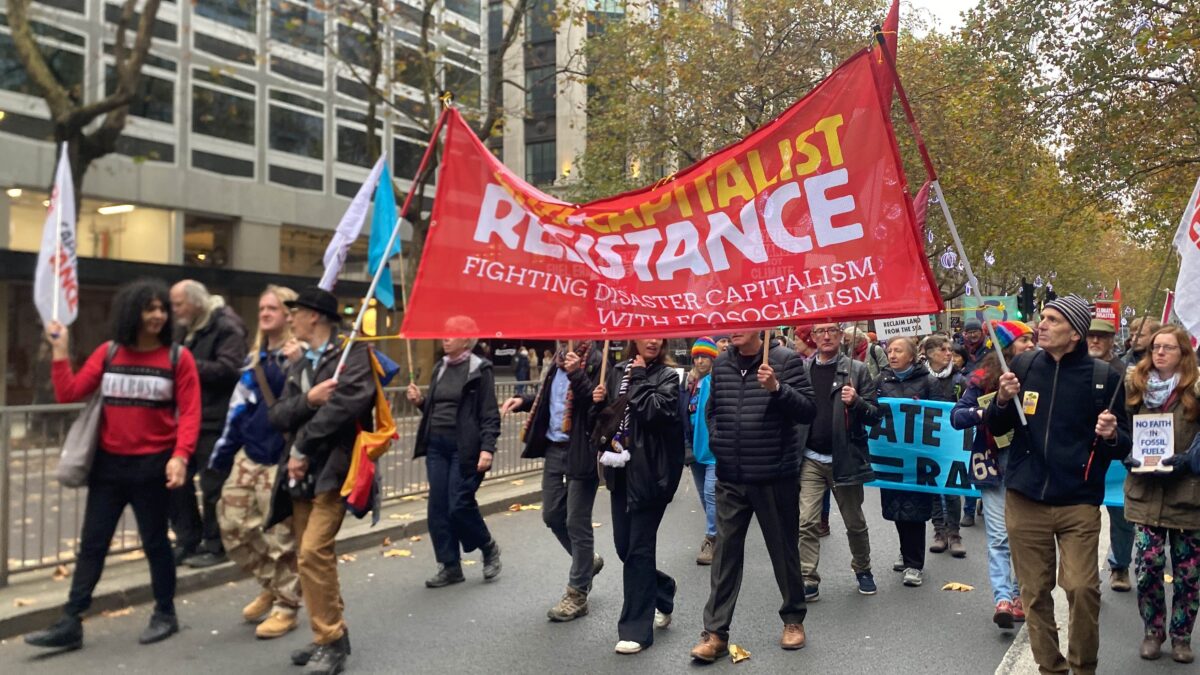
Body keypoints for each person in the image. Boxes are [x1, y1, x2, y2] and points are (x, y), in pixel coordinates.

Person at [25, 279, 200, 649]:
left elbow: (190, 413)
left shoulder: (177, 358)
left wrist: (180, 455)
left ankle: (165, 613)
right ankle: (71, 621)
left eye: (162, 309)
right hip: (108, 468)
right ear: (131, 312)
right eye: (149, 308)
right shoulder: (109, 353)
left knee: (155, 542)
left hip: (153, 468)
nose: (157, 315)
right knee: (92, 544)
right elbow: (68, 392)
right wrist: (60, 351)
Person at [987, 294, 1131, 675]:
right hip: (1025, 498)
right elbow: (997, 426)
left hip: (1078, 502)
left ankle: (1084, 667)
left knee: (1082, 588)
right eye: (1043, 317)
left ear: (1075, 334)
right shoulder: (1024, 364)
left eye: (1052, 320)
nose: (1042, 325)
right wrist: (1001, 400)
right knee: (1033, 593)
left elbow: (1126, 445)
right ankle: (1050, 667)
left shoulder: (1106, 378)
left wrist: (1113, 435)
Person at [690, 331, 817, 662]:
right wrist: (718, 442)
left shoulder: (786, 361)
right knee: (725, 555)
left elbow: (807, 410)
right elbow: (713, 411)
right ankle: (715, 632)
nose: (734, 329)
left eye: (743, 321)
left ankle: (793, 620)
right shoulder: (721, 367)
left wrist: (777, 389)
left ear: (761, 327)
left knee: (783, 551)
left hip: (774, 476)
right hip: (731, 476)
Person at [267, 286, 376, 674]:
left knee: (313, 551)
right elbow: (279, 415)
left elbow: (346, 407)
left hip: (335, 471)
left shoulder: (355, 355)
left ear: (314, 315)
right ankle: (327, 634)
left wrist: (302, 447)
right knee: (308, 557)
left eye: (295, 312)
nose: (290, 317)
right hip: (300, 477)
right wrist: (309, 399)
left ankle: (330, 640)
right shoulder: (299, 363)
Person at [209, 285, 303, 639]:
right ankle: (276, 584)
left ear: (289, 315)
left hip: (282, 460)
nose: (264, 313)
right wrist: (220, 456)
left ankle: (286, 605)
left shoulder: (301, 356)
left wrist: (301, 364)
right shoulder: (254, 361)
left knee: (281, 538)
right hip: (249, 456)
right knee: (233, 528)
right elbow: (238, 410)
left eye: (273, 308)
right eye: (262, 308)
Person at [499, 340, 605, 620]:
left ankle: (577, 594)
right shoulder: (558, 361)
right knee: (551, 515)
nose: (561, 338)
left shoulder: (595, 360)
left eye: (567, 331)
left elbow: (597, 404)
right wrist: (523, 401)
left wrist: (577, 374)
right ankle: (587, 561)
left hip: (582, 449)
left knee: (576, 521)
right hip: (554, 448)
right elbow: (550, 399)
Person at [591, 338, 684, 655]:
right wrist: (598, 402)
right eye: (646, 334)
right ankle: (662, 589)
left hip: (652, 474)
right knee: (624, 547)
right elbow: (608, 420)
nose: (653, 340)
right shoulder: (616, 371)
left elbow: (653, 414)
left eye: (658, 336)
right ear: (634, 339)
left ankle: (635, 630)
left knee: (639, 549)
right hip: (621, 471)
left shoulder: (669, 376)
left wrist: (641, 377)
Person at [1123, 325, 1200, 664]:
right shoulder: (1134, 387)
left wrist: (1190, 460)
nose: (1160, 353)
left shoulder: (1196, 391)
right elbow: (1123, 430)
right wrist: (1125, 450)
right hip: (1145, 492)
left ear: (1183, 353)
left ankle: (1181, 637)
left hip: (1187, 496)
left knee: (1187, 572)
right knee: (1148, 565)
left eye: (1169, 347)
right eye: (1156, 346)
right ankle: (1153, 631)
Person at [951, 319, 1035, 629]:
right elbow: (957, 416)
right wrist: (986, 413)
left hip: (1030, 466)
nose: (1030, 345)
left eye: (1032, 340)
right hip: (995, 465)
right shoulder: (982, 378)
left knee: (1023, 537)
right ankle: (1002, 599)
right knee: (999, 537)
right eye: (1024, 340)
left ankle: (1019, 595)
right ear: (1006, 347)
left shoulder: (1041, 374)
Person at [409, 322, 503, 589]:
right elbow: (436, 407)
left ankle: (488, 546)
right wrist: (420, 403)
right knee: (437, 507)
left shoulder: (479, 369)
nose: (444, 338)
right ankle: (449, 566)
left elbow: (488, 413)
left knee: (458, 503)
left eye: (452, 334)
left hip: (465, 448)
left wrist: (487, 448)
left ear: (467, 340)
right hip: (436, 447)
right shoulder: (440, 367)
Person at [797, 323, 881, 601]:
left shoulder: (856, 370)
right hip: (810, 458)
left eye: (832, 330)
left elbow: (874, 415)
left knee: (854, 521)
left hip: (844, 459)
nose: (826, 336)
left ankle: (863, 569)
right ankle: (808, 576)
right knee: (806, 521)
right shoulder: (803, 370)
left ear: (841, 335)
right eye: (820, 331)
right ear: (813, 337)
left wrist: (856, 401)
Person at [169, 279, 248, 567]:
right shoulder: (187, 328)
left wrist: (185, 363)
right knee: (176, 481)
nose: (174, 310)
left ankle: (216, 545)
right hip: (188, 418)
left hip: (214, 419)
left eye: (178, 304)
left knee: (213, 484)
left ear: (195, 302)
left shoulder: (226, 326)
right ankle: (187, 539)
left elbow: (230, 369)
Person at [875, 336, 943, 587]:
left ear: (912, 356)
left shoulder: (928, 381)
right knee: (896, 509)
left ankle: (915, 564)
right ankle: (906, 551)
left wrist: (921, 412)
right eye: (890, 350)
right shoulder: (881, 380)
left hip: (917, 457)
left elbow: (940, 416)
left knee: (915, 510)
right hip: (891, 456)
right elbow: (872, 411)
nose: (892, 355)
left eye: (898, 351)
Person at [1086, 318, 1135, 593]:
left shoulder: (1126, 373)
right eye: (1090, 336)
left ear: (1111, 340)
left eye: (1101, 337)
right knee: (1083, 518)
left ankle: (1119, 566)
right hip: (1086, 456)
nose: (1095, 341)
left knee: (1120, 517)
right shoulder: (1079, 369)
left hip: (1118, 454)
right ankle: (1088, 573)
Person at [923, 334, 968, 558]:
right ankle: (939, 531)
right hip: (928, 440)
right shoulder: (921, 378)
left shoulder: (960, 380)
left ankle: (954, 534)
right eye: (943, 349)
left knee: (951, 488)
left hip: (952, 440)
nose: (949, 353)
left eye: (949, 349)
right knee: (932, 488)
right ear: (930, 353)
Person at [687, 337, 719, 565]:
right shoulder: (690, 382)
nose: (700, 361)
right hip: (694, 449)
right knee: (704, 497)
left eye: (704, 357)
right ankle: (720, 530)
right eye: (697, 357)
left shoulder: (718, 380)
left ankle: (713, 538)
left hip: (714, 450)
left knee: (711, 494)